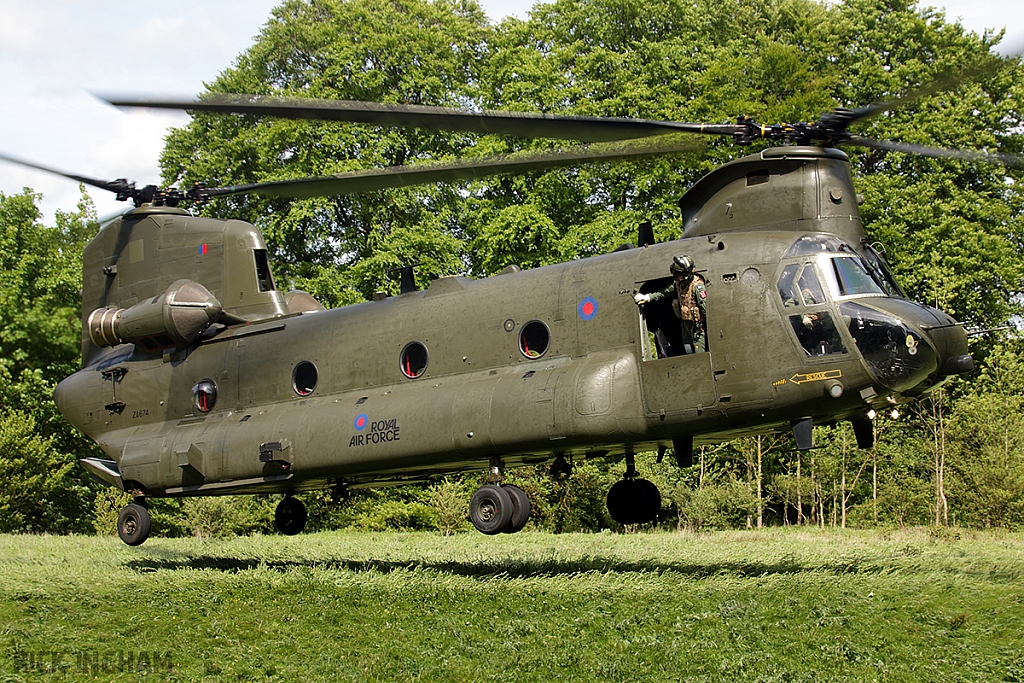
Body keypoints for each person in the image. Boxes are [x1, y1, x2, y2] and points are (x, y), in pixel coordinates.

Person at [634, 255, 707, 354]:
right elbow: (665, 292)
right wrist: (647, 297)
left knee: (699, 353)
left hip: (697, 328)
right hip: (685, 326)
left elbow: (705, 309)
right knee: (688, 350)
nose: (675, 276)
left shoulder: (697, 287)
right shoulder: (677, 284)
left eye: (678, 274)